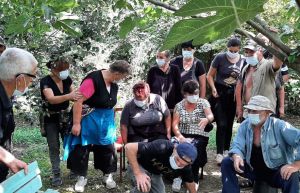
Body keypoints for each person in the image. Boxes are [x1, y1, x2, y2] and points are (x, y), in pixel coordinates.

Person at [66, 60, 130, 192]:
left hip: (106, 122)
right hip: (89, 120)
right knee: (82, 148)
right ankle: (81, 178)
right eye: (122, 77)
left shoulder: (113, 84)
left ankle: (108, 175)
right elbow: (78, 101)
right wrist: (76, 123)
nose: (122, 80)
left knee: (107, 148)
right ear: (117, 73)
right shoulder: (93, 80)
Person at [221, 95, 300, 193]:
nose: (251, 114)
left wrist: (296, 164)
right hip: (253, 170)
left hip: (275, 172)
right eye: (249, 111)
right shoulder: (245, 125)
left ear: (267, 112)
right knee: (227, 162)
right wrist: (237, 155)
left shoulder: (279, 126)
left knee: (292, 175)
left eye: (255, 111)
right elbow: (237, 144)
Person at [40, 56, 82, 186]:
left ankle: (74, 169)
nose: (65, 72)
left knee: (69, 143)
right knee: (54, 147)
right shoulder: (45, 81)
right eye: (62, 70)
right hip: (50, 118)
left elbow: (75, 94)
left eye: (66, 69)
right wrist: (69, 96)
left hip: (65, 117)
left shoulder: (67, 79)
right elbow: (51, 99)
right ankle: (56, 174)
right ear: (53, 70)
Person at [0, 47, 38, 182]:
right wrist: (10, 159)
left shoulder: (6, 96)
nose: (33, 81)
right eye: (33, 75)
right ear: (20, 79)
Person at [171, 80, 214, 192]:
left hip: (200, 134)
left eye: (196, 93)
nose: (194, 96)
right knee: (175, 148)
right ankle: (178, 177)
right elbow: (175, 125)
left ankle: (194, 179)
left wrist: (207, 119)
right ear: (184, 94)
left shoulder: (203, 103)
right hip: (183, 134)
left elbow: (210, 115)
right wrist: (180, 137)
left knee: (194, 150)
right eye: (191, 94)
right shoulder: (179, 106)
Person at [207, 38, 243, 165]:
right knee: (221, 124)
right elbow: (209, 75)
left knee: (229, 125)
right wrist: (213, 88)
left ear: (239, 49)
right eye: (230, 50)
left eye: (235, 50)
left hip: (234, 95)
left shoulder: (243, 60)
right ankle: (219, 152)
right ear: (227, 48)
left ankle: (227, 150)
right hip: (220, 93)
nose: (232, 52)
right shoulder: (220, 58)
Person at [125, 139, 198, 193]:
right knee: (144, 187)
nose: (178, 164)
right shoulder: (162, 146)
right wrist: (138, 174)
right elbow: (129, 147)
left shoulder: (186, 168)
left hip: (155, 173)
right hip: (139, 165)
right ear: (174, 149)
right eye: (177, 159)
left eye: (182, 164)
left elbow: (190, 183)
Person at [235, 42, 284, 121]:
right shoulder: (245, 68)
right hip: (248, 111)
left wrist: (275, 43)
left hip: (265, 112)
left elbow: (278, 63)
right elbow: (240, 87)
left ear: (260, 50)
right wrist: (239, 107)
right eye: (246, 52)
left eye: (252, 51)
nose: (248, 54)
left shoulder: (267, 65)